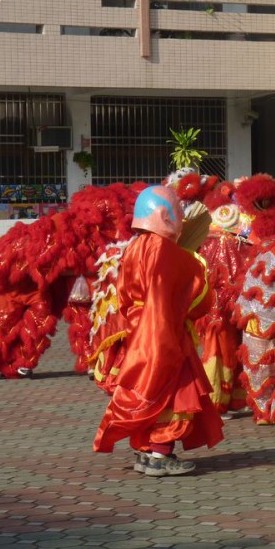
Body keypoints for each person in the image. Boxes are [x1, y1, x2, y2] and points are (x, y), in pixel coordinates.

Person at [92, 185, 223, 477]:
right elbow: (186, 291)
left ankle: (147, 454)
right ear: (165, 216)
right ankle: (159, 454)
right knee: (174, 392)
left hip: (139, 327)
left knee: (148, 390)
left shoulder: (135, 246)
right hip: (160, 329)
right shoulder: (162, 249)